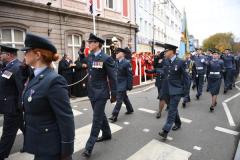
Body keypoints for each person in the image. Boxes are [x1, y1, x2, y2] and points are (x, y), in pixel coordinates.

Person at [21, 33, 75, 160]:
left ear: (38, 54)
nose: (24, 54)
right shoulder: (36, 76)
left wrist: (66, 150)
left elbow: (65, 117)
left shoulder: (54, 80)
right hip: (40, 142)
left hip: (51, 148)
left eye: (27, 51)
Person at [82, 33, 117, 158]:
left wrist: (114, 94)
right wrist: (81, 52)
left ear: (97, 44)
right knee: (100, 114)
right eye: (88, 42)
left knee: (96, 119)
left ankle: (89, 147)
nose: (89, 44)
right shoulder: (90, 56)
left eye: (91, 42)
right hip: (92, 91)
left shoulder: (106, 58)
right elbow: (86, 66)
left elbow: (113, 78)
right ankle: (107, 133)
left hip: (101, 93)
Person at [0, 45, 27, 159]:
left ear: (9, 55)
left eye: (2, 53)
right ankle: (30, 143)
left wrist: (20, 106)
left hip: (13, 107)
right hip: (9, 105)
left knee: (7, 134)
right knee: (23, 126)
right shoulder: (9, 66)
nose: (0, 55)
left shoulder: (17, 67)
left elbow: (21, 89)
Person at [158, 43, 189, 141]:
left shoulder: (181, 62)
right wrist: (153, 71)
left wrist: (185, 93)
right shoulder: (166, 61)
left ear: (172, 51)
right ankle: (178, 123)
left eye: (166, 51)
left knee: (171, 110)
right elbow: (164, 71)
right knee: (173, 108)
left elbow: (186, 78)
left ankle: (165, 131)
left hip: (176, 90)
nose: (164, 52)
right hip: (167, 89)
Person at [109, 48, 133, 123]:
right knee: (124, 97)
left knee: (119, 99)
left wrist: (129, 85)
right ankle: (130, 109)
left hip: (123, 84)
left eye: (117, 53)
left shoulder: (127, 63)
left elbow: (130, 76)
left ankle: (114, 115)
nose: (116, 54)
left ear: (122, 54)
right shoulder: (117, 62)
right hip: (118, 83)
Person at [146, 51, 169, 119]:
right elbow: (155, 68)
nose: (165, 55)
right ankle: (168, 105)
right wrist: (149, 71)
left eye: (165, 54)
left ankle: (159, 112)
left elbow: (164, 70)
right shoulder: (159, 60)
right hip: (159, 81)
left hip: (165, 81)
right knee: (162, 96)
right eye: (164, 54)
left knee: (161, 96)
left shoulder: (169, 61)